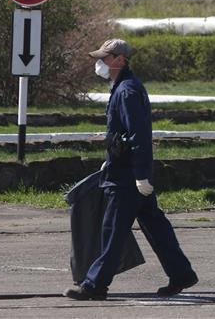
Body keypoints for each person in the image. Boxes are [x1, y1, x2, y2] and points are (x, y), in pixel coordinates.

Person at [65, 39, 198, 300]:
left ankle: (94, 285)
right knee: (156, 227)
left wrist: (139, 175)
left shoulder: (126, 90)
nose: (99, 63)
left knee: (113, 230)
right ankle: (181, 274)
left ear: (120, 60)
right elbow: (123, 134)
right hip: (127, 171)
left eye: (105, 58)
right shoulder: (123, 87)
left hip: (127, 177)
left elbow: (138, 135)